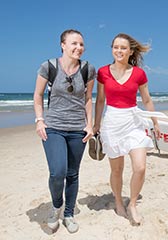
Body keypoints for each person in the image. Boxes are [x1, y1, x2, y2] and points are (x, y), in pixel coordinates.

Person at [93, 33, 161, 226]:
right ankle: (117, 201)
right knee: (117, 170)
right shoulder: (103, 72)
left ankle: (132, 203)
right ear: (112, 49)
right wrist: (96, 124)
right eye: (116, 47)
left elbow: (147, 100)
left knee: (140, 166)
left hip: (134, 121)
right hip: (112, 122)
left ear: (130, 51)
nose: (119, 51)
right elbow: (100, 101)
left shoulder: (139, 74)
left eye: (123, 48)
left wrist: (155, 122)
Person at [33, 29, 96, 233]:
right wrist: (40, 121)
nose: (79, 48)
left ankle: (68, 214)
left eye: (81, 44)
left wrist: (90, 124)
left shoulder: (87, 69)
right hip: (53, 128)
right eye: (74, 43)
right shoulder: (49, 66)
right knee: (57, 172)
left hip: (78, 129)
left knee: (73, 173)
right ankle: (56, 206)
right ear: (63, 45)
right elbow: (38, 95)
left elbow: (87, 99)